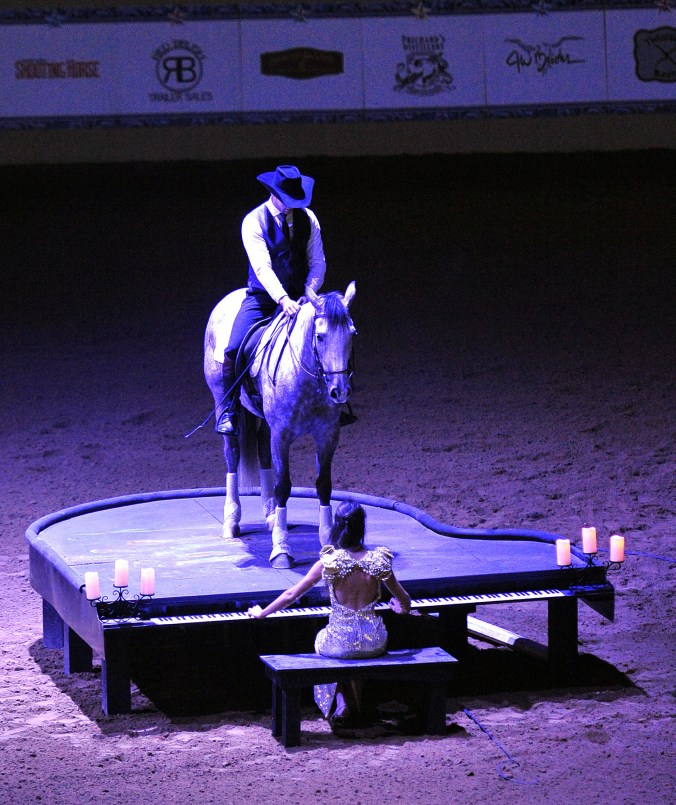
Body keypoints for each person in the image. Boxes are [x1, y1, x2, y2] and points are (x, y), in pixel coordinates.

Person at [248, 501, 412, 725]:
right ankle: (356, 705)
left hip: (339, 642)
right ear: (362, 527)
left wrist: (262, 613)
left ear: (337, 527)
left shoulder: (329, 562)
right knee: (357, 647)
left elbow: (291, 595)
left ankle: (343, 702)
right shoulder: (379, 561)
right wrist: (400, 608)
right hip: (374, 641)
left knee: (325, 644)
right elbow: (405, 600)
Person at [216, 164, 327, 435]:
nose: (292, 206)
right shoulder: (253, 222)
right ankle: (229, 410)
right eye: (288, 201)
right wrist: (282, 299)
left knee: (331, 337)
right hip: (264, 298)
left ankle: (334, 404)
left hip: (302, 298)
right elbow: (263, 267)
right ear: (274, 194)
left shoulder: (308, 219)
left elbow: (318, 261)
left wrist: (308, 292)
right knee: (233, 349)